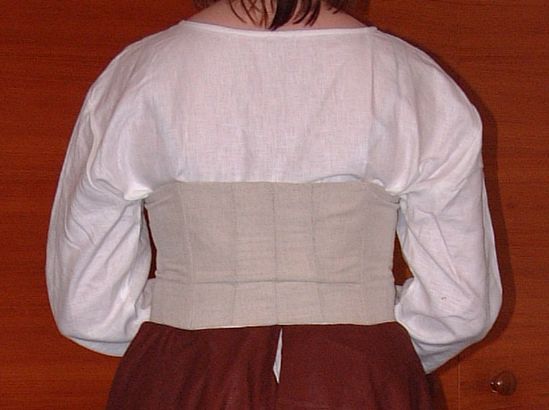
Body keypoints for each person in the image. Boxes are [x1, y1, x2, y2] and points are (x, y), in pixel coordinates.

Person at [46, 0, 502, 408]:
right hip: (362, 380)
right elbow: (460, 308)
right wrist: (371, 342)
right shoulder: (412, 79)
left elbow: (89, 306)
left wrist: (188, 313)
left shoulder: (140, 74)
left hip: (183, 375)